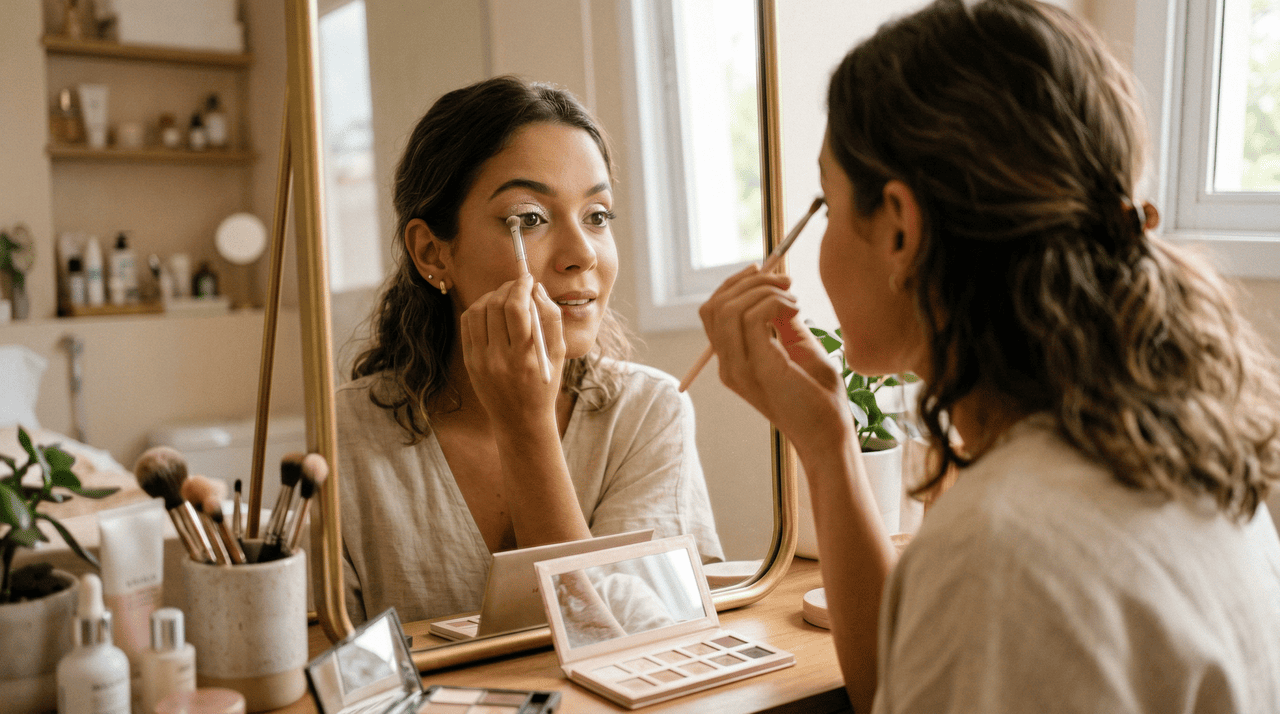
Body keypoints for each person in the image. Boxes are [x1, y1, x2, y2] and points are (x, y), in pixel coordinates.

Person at [698, 1, 1280, 711]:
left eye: (825, 203)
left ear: (901, 231)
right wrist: (827, 442)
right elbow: (907, 685)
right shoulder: (1186, 463)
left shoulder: (1002, 546)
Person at [338, 76, 722, 626]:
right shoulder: (341, 439)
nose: (581, 253)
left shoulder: (648, 413)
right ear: (432, 253)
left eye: (597, 216)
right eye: (530, 219)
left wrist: (527, 427)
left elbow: (629, 645)